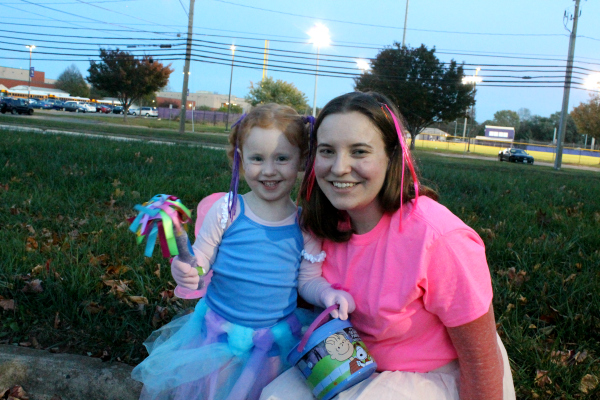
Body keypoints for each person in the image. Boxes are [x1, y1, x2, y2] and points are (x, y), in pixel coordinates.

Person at [260, 92, 516, 400]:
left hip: (434, 377)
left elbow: (480, 359)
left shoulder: (438, 238)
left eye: (359, 152)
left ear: (392, 156)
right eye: (327, 151)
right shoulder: (322, 224)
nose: (339, 167)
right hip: (350, 362)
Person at [131, 103, 354, 400]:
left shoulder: (304, 224)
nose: (269, 170)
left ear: (302, 160)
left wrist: (326, 294)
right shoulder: (228, 210)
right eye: (257, 158)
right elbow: (201, 260)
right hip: (218, 337)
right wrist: (186, 269)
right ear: (240, 159)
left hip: (272, 343)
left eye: (282, 158)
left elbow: (308, 280)